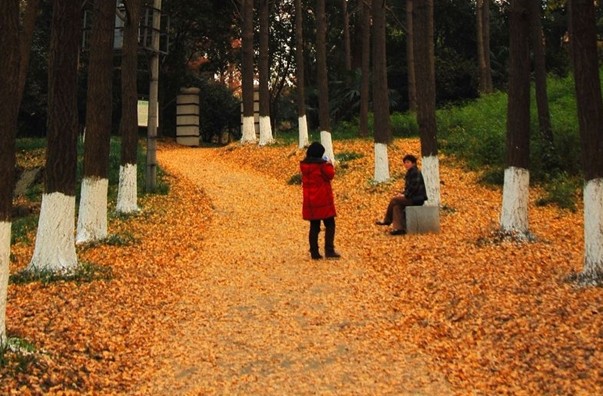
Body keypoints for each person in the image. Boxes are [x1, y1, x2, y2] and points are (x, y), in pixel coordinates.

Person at [300, 142, 341, 260]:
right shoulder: (322, 166)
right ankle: (329, 250)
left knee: (314, 226)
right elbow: (330, 175)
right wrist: (329, 163)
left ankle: (314, 252)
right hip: (323, 200)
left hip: (311, 202)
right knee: (330, 224)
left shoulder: (305, 166)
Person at [376, 154, 428, 235]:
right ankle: (399, 229)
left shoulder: (415, 172)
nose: (406, 164)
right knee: (397, 206)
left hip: (416, 199)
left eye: (408, 162)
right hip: (411, 197)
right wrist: (402, 193)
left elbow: (414, 188)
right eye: (405, 162)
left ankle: (387, 220)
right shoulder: (409, 173)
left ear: (413, 163)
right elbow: (409, 188)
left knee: (394, 200)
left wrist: (405, 195)